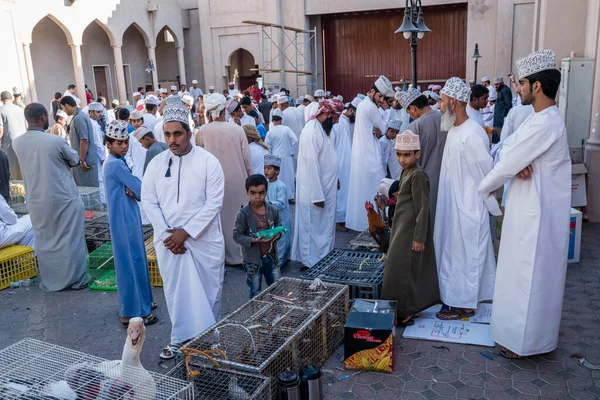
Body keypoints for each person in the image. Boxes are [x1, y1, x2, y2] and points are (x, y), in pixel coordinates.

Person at [478, 49, 570, 359]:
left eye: (521, 83)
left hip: (538, 216)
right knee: (517, 276)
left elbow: (507, 158)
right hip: (525, 209)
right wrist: (515, 161)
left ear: (537, 86)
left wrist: (485, 187)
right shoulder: (537, 119)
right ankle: (516, 338)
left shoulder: (547, 123)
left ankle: (527, 344)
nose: (517, 89)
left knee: (530, 278)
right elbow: (508, 150)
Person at [141, 96, 225, 359]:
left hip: (203, 239)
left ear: (190, 133)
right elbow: (149, 201)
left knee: (209, 292)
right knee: (177, 294)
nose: (172, 140)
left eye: (178, 134)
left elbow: (214, 203)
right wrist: (169, 234)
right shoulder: (156, 164)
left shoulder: (208, 162)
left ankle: (211, 341)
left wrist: (185, 233)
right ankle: (179, 339)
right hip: (168, 241)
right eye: (167, 134)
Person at [433, 77, 501, 320]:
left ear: (453, 102)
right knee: (454, 254)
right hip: (453, 205)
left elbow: (486, 176)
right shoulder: (455, 130)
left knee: (465, 256)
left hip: (468, 207)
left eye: (441, 102)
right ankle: (455, 299)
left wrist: (490, 207)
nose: (439, 107)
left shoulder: (471, 133)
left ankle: (464, 305)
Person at [13, 103, 89, 291]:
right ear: (43, 118)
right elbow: (74, 160)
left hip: (37, 200)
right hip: (63, 197)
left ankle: (52, 280)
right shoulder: (55, 141)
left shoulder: (17, 142)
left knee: (46, 240)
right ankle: (75, 280)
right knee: (71, 239)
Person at [381, 130, 439, 327]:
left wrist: (419, 237)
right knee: (396, 268)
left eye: (407, 155)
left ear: (417, 154)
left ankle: (406, 310)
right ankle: (401, 308)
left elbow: (423, 208)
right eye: (398, 154)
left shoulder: (419, 175)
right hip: (401, 228)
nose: (402, 159)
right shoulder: (407, 171)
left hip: (410, 232)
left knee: (403, 269)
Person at [103, 120, 157, 327]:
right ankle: (130, 313)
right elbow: (140, 188)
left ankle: (142, 304)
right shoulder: (115, 164)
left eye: (125, 142)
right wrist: (134, 188)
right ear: (109, 143)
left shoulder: (116, 162)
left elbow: (134, 188)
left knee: (137, 260)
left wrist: (133, 188)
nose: (124, 146)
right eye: (119, 143)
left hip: (127, 218)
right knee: (129, 264)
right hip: (123, 221)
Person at [196, 93, 252, 266]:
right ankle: (240, 256)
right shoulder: (237, 129)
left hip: (213, 184)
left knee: (219, 220)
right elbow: (247, 161)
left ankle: (223, 257)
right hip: (238, 183)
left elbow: (197, 157)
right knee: (238, 220)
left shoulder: (203, 131)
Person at [292, 99, 340, 269]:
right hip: (315, 191)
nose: (336, 121)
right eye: (334, 117)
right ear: (326, 113)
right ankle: (312, 263)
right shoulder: (311, 132)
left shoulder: (323, 129)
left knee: (324, 226)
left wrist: (336, 178)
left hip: (326, 186)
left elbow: (327, 156)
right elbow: (310, 165)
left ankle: (324, 259)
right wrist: (317, 195)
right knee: (314, 228)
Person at [346, 76, 391, 232]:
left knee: (364, 189)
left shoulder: (364, 105)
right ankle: (373, 226)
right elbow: (384, 128)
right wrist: (386, 109)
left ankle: (364, 225)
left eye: (384, 98)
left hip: (363, 152)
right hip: (368, 154)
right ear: (372, 91)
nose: (381, 100)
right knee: (375, 188)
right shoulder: (371, 107)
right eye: (380, 97)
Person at [400, 88, 446, 224]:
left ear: (413, 108)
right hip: (445, 179)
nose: (410, 114)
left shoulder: (414, 127)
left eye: (408, 111)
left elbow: (407, 162)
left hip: (422, 182)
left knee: (423, 222)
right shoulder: (444, 119)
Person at [233, 174, 282, 298]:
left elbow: (279, 227)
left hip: (271, 257)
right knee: (255, 293)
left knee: (277, 290)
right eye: (253, 193)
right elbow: (237, 235)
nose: (257, 197)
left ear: (266, 192)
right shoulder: (243, 214)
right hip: (252, 261)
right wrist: (254, 240)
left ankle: (277, 315)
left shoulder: (272, 210)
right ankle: (256, 316)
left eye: (261, 193)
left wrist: (277, 235)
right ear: (247, 193)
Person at [60, 95, 99, 187]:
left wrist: (82, 160)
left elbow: (84, 140)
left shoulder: (79, 118)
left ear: (67, 106)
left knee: (88, 190)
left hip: (85, 161)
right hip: (83, 159)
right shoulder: (78, 116)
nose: (64, 111)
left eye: (63, 108)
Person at [331, 100, 356, 231]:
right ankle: (337, 221)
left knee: (345, 192)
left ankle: (343, 219)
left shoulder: (347, 122)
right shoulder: (339, 123)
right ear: (351, 110)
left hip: (346, 162)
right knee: (340, 193)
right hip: (339, 163)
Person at [264, 154, 291, 266]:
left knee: (281, 239)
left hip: (281, 217)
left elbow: (282, 203)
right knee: (271, 237)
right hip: (270, 216)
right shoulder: (265, 184)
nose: (266, 171)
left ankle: (280, 261)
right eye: (265, 168)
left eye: (269, 168)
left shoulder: (281, 186)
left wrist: (269, 204)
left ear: (277, 171)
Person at [264, 109, 298, 201]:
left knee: (277, 177)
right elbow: (295, 140)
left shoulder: (270, 132)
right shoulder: (286, 129)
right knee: (288, 177)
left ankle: (277, 197)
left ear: (272, 121)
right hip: (287, 156)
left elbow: (267, 147)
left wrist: (269, 158)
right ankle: (289, 196)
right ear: (281, 120)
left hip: (275, 158)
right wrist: (291, 151)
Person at [0, 91, 27, 180]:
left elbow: (1, 130)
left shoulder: (1, 110)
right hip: (23, 143)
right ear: (11, 98)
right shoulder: (20, 109)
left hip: (8, 145)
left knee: (12, 172)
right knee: (23, 169)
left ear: (1, 100)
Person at [87, 102, 108, 203]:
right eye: (98, 112)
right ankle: (103, 203)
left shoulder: (94, 123)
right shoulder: (92, 124)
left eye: (101, 112)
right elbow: (97, 143)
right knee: (100, 180)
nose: (100, 114)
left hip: (98, 156)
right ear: (91, 112)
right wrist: (103, 157)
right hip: (98, 157)